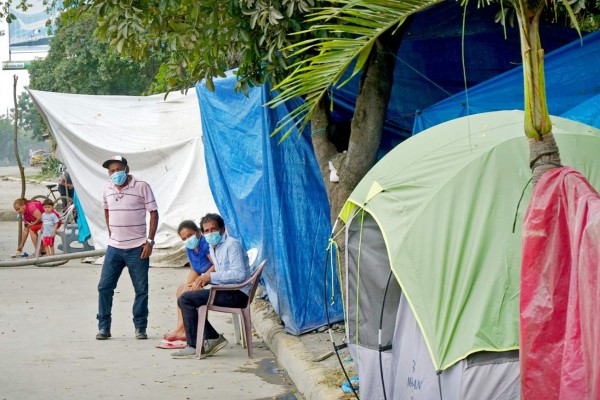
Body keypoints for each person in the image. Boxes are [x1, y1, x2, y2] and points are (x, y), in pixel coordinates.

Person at [96, 155, 159, 341]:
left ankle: (140, 327)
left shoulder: (142, 186)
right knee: (104, 287)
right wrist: (111, 232)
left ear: (127, 168)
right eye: (111, 171)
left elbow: (154, 214)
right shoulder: (107, 188)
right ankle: (103, 327)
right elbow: (107, 210)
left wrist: (150, 241)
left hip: (137, 248)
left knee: (141, 289)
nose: (115, 173)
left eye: (118, 169)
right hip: (114, 247)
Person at [171, 213, 250, 359]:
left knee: (185, 299)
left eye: (213, 229)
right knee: (187, 295)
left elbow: (239, 275)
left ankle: (195, 345)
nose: (210, 233)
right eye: (206, 231)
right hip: (225, 290)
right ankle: (210, 338)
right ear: (202, 232)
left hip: (237, 294)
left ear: (222, 229)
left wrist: (210, 277)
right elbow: (219, 275)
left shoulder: (232, 245)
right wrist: (201, 282)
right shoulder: (215, 247)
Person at [160, 220, 214, 345]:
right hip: (202, 278)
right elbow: (194, 269)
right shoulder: (190, 247)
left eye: (189, 235)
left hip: (212, 278)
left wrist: (201, 280)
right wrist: (188, 284)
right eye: (184, 238)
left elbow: (216, 265)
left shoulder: (205, 244)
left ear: (198, 232)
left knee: (189, 293)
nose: (188, 239)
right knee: (181, 290)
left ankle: (182, 330)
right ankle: (181, 329)